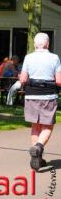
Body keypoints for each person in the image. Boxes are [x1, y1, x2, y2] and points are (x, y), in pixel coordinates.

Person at [19, 33, 61, 171]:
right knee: (47, 126)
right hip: (48, 96)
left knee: (35, 126)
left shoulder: (28, 57)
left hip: (31, 96)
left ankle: (36, 158)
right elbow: (59, 81)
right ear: (48, 44)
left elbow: (23, 79)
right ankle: (38, 147)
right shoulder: (54, 58)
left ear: (35, 45)